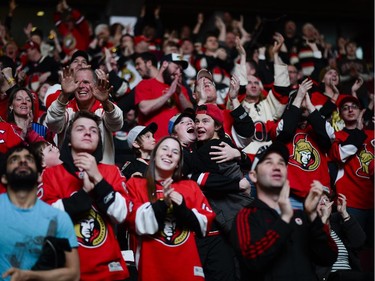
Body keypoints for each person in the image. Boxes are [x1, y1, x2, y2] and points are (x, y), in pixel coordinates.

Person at [39, 111, 130, 280]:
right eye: (80, 129)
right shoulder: (51, 175)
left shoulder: (111, 172)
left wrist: (98, 179)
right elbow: (45, 219)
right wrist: (85, 194)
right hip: (67, 271)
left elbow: (122, 214)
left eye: (94, 130)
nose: (88, 132)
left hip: (109, 270)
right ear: (69, 141)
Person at [230, 142, 338, 281]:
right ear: (253, 176)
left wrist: (312, 217)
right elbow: (252, 260)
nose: (277, 167)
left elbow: (329, 257)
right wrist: (284, 219)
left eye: (281, 163)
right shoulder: (246, 216)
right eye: (268, 162)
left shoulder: (301, 215)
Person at [126, 136, 215, 281]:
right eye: (165, 149)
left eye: (175, 152)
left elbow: (205, 225)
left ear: (178, 162)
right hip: (151, 269)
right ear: (154, 156)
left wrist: (182, 208)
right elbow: (135, 222)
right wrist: (163, 203)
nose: (169, 154)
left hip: (187, 269)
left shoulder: (190, 186)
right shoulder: (135, 184)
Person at [0, 144, 79, 281]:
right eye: (14, 160)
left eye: (29, 159)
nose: (22, 161)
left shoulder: (58, 218)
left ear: (39, 176)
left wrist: (31, 276)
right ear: (4, 178)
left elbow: (73, 273)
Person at [45, 67, 123, 164]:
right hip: (69, 174)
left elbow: (116, 124)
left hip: (102, 174)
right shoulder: (65, 108)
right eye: (77, 82)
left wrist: (105, 102)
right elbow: (52, 125)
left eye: (86, 82)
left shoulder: (105, 108)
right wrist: (64, 95)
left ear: (95, 85)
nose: (81, 86)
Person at [134, 53, 193, 140]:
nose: (178, 72)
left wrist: (180, 94)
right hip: (152, 142)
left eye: (180, 70)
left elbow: (190, 112)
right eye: (176, 68)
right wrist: (169, 94)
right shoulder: (145, 84)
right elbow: (144, 109)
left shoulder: (180, 89)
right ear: (165, 64)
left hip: (176, 143)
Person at [316, 192, 373, 281]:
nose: (324, 203)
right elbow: (318, 250)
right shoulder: (309, 228)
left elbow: (360, 242)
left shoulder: (337, 225)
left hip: (350, 274)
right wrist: (324, 219)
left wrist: (344, 214)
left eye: (326, 200)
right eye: (319, 200)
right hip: (328, 276)